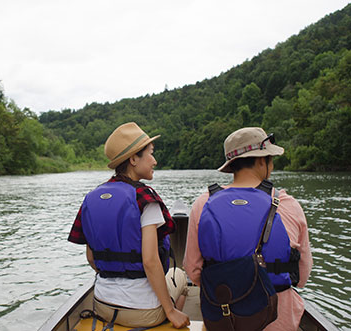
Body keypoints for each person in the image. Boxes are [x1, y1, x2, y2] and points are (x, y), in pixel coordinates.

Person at [184, 127, 313, 331]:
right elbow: (302, 277)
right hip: (277, 319)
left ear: (232, 165)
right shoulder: (288, 205)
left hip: (225, 316)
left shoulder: (203, 203)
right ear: (262, 161)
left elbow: (193, 270)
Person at [68, 122, 190, 329]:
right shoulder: (144, 197)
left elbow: (91, 258)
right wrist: (169, 310)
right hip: (143, 311)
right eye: (150, 154)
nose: (155, 161)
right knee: (181, 277)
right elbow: (150, 262)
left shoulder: (90, 198)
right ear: (133, 159)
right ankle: (168, 322)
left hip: (102, 305)